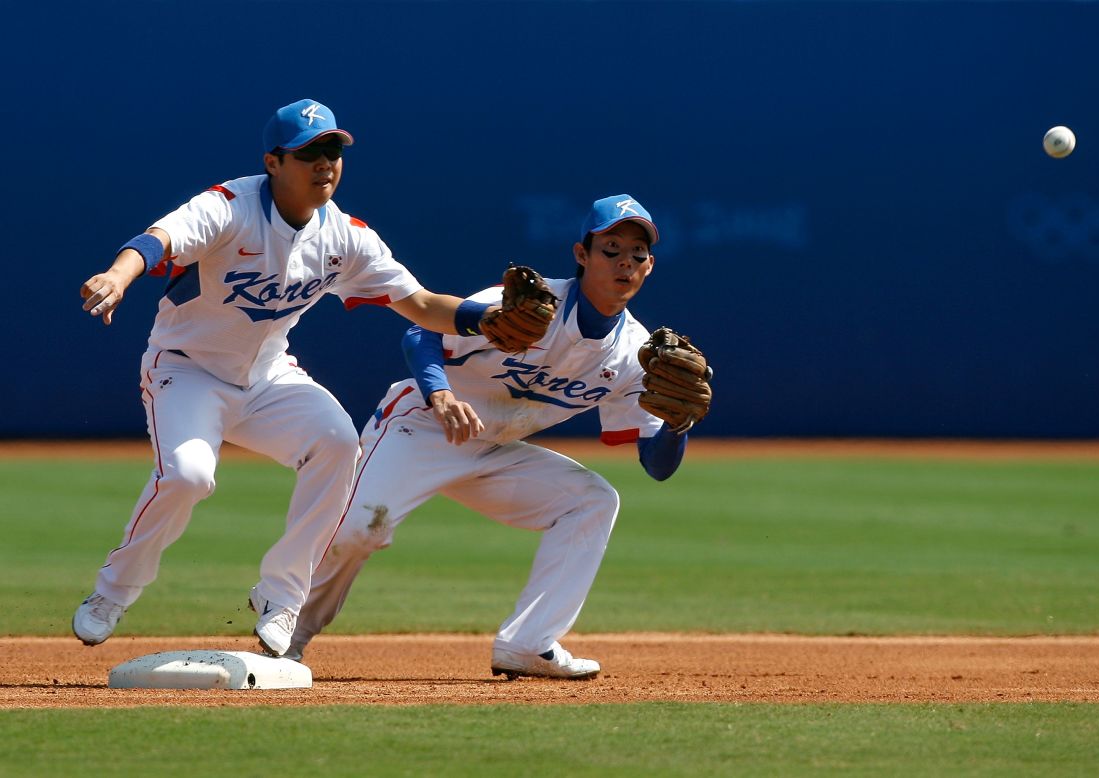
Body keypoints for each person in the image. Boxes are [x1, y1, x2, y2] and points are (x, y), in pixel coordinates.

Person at [73, 99, 528, 657]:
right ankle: (112, 591)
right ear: (273, 162)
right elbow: (158, 240)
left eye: (334, 150)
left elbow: (421, 303)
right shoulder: (229, 206)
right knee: (189, 477)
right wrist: (118, 277)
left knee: (338, 443)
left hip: (268, 378)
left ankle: (282, 596)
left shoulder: (346, 236)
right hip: (186, 370)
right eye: (310, 152)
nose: (325, 163)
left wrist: (482, 319)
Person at [288, 194, 707, 679]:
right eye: (611, 249)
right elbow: (422, 334)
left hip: (494, 449)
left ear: (650, 266)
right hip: (421, 425)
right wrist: (440, 395)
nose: (624, 263)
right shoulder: (534, 305)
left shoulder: (634, 353)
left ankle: (529, 644)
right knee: (362, 530)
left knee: (593, 500)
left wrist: (679, 425)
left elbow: (657, 465)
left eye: (636, 255)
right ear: (582, 255)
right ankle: (289, 638)